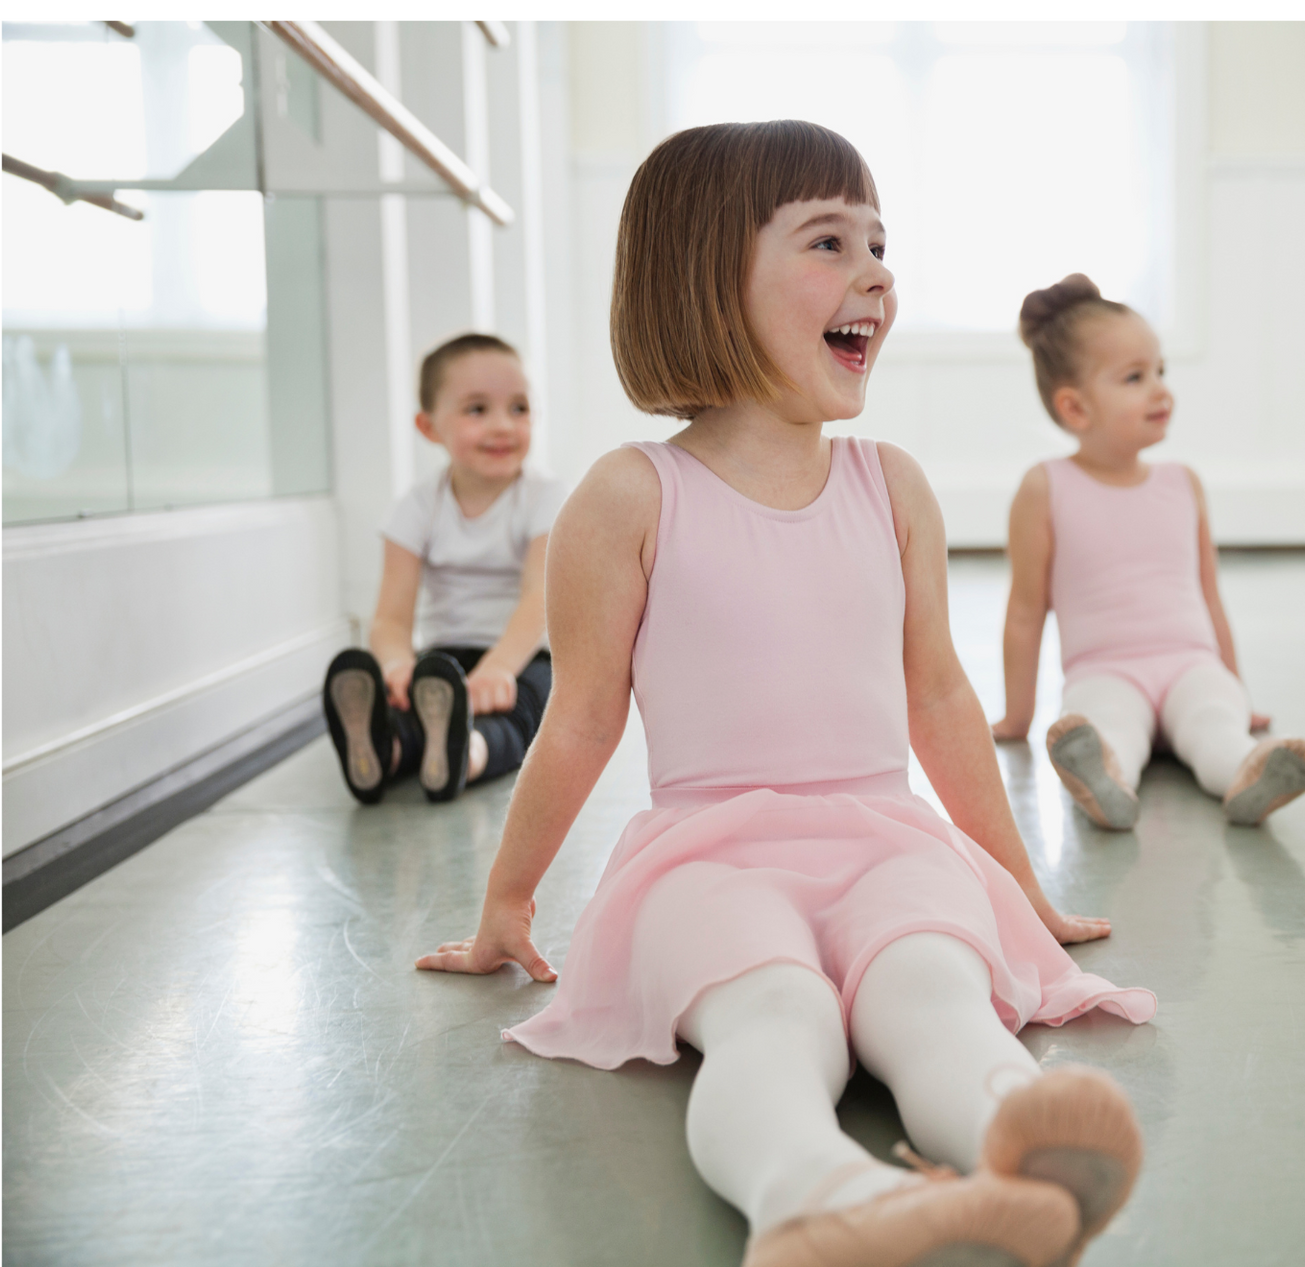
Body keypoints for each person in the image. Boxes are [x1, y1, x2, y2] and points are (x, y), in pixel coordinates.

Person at [415, 122, 1155, 1267]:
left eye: (879, 244)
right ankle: (812, 1194)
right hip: (705, 856)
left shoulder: (891, 485)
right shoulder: (629, 494)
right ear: (708, 280)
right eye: (828, 241)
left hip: (883, 836)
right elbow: (582, 720)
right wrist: (504, 904)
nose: (875, 273)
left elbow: (943, 704)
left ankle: (1021, 1142)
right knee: (775, 1017)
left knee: (934, 991)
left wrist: (1018, 884)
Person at [991, 274, 1305, 831]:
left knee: (1215, 720)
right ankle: (1105, 780)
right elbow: (1026, 610)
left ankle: (1248, 774)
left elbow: (1209, 596)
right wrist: (1016, 716)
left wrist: (1238, 689)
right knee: (1105, 724)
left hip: (1191, 661)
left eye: (1161, 371)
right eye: (1135, 377)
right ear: (1075, 408)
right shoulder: (1045, 487)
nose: (1160, 389)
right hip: (1103, 669)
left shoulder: (1182, 483)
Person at [322, 333, 563, 804]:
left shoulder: (544, 498)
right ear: (429, 426)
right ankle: (388, 749)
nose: (503, 426)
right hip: (445, 663)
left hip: (524, 655)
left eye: (519, 408)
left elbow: (542, 598)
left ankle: (465, 754)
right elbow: (391, 617)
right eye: (477, 410)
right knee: (421, 705)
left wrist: (499, 669)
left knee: (532, 704)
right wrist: (396, 665)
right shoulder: (416, 507)